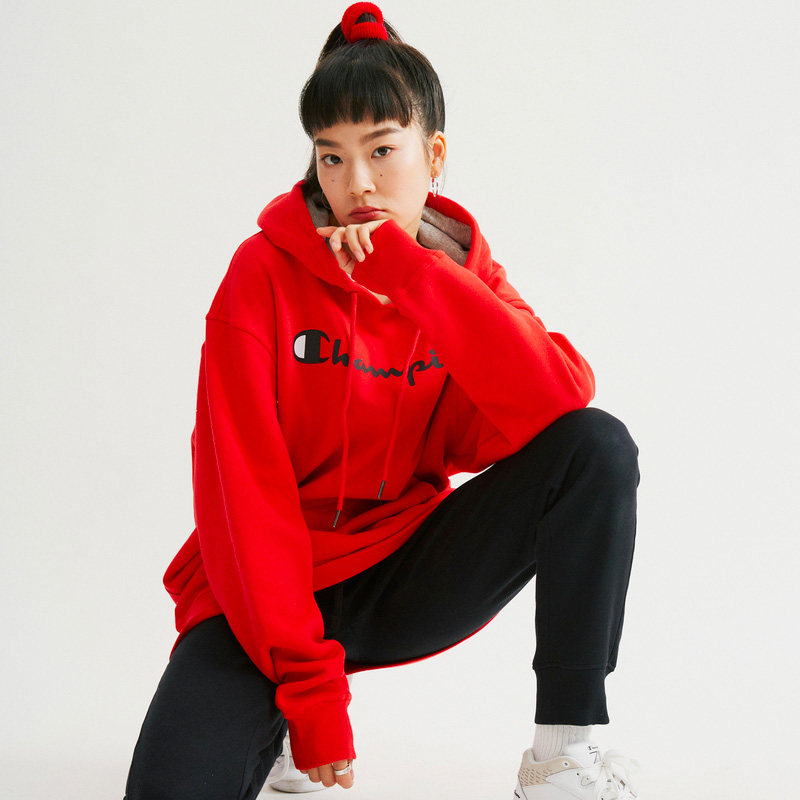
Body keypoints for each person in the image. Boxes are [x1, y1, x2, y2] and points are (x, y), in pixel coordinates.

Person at [122, 3, 642, 798]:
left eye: (381, 150)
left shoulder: (458, 272)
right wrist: (309, 694)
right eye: (331, 156)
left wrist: (413, 274)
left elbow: (559, 400)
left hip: (401, 570)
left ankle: (562, 756)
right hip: (262, 593)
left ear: (433, 154)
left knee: (595, 447)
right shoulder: (259, 275)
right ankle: (274, 728)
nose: (355, 182)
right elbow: (244, 500)